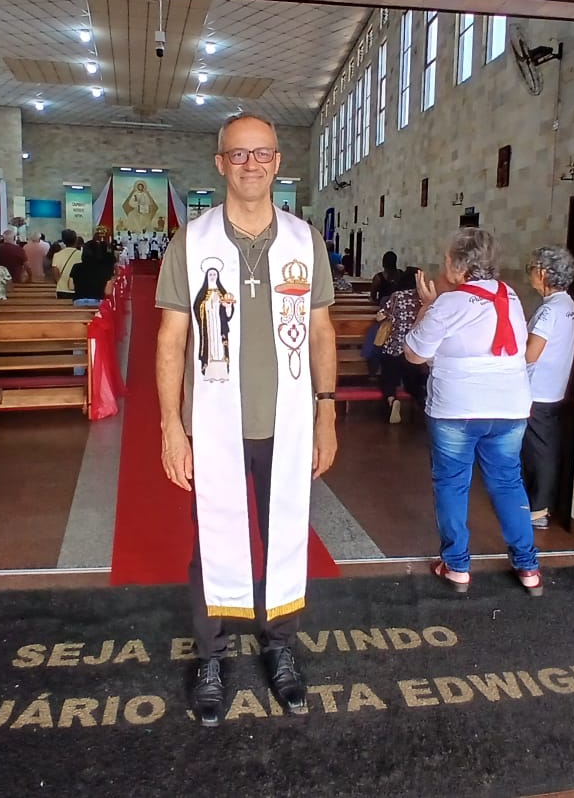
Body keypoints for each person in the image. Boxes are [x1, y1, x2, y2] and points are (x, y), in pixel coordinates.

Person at [156, 112, 337, 728]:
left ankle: (280, 645)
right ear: (220, 163)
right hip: (214, 425)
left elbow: (319, 330)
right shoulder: (192, 242)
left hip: (286, 422)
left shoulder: (303, 240)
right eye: (239, 154)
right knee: (213, 544)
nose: (251, 164)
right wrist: (170, 426)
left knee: (287, 532)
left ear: (278, 161)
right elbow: (171, 338)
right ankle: (212, 656)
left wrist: (328, 413)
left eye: (262, 153)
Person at [404, 228, 541, 597]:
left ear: (458, 263)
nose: (444, 262)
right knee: (507, 482)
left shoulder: (450, 303)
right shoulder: (509, 295)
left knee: (452, 484)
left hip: (458, 410)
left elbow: (415, 353)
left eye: (448, 257)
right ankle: (527, 566)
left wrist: (428, 305)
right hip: (510, 407)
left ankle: (457, 565)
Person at [522, 246, 574, 530]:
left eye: (532, 269)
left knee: (536, 451)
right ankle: (541, 504)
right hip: (555, 388)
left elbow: (531, 354)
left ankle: (538, 508)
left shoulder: (549, 310)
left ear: (544, 273)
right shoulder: (568, 305)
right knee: (545, 446)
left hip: (538, 390)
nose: (531, 275)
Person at [376, 267, 426, 423]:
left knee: (388, 378)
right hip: (415, 349)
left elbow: (379, 317)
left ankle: (392, 400)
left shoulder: (397, 296)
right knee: (413, 381)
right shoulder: (425, 299)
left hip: (394, 347)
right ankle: (422, 401)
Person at [69, 239, 114, 306]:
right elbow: (108, 292)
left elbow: (71, 286)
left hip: (79, 302)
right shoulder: (104, 268)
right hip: (98, 302)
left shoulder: (76, 267)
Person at [52, 228, 82, 300]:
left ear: (63, 241)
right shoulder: (81, 254)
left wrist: (61, 283)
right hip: (78, 289)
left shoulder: (57, 255)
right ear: (75, 240)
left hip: (61, 290)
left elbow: (55, 274)